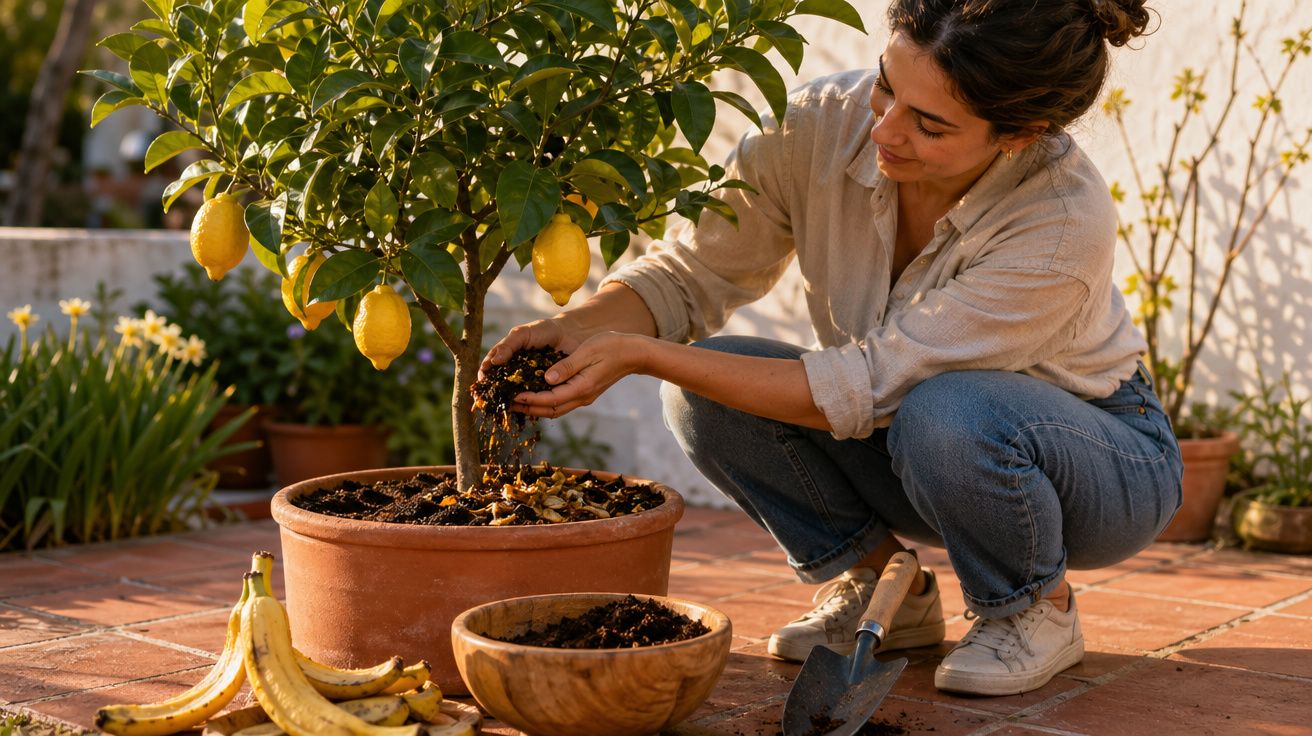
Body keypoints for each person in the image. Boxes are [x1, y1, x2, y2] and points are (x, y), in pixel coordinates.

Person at [482, 0, 1183, 696]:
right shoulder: (820, 121)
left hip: (1095, 465)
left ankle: (1035, 608)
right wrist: (581, 327)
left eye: (929, 125)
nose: (884, 127)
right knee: (707, 389)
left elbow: (873, 384)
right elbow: (696, 270)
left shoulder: (1060, 219)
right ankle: (884, 587)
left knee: (948, 408)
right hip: (911, 439)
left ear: (1020, 135)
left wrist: (644, 355)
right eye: (885, 85)